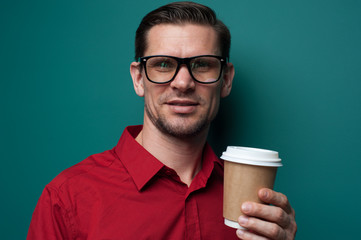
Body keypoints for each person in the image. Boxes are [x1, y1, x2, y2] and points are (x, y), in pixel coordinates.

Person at [27, 2, 297, 239]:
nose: (183, 83)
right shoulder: (68, 197)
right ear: (138, 78)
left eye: (202, 64)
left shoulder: (252, 205)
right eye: (163, 64)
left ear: (225, 79)